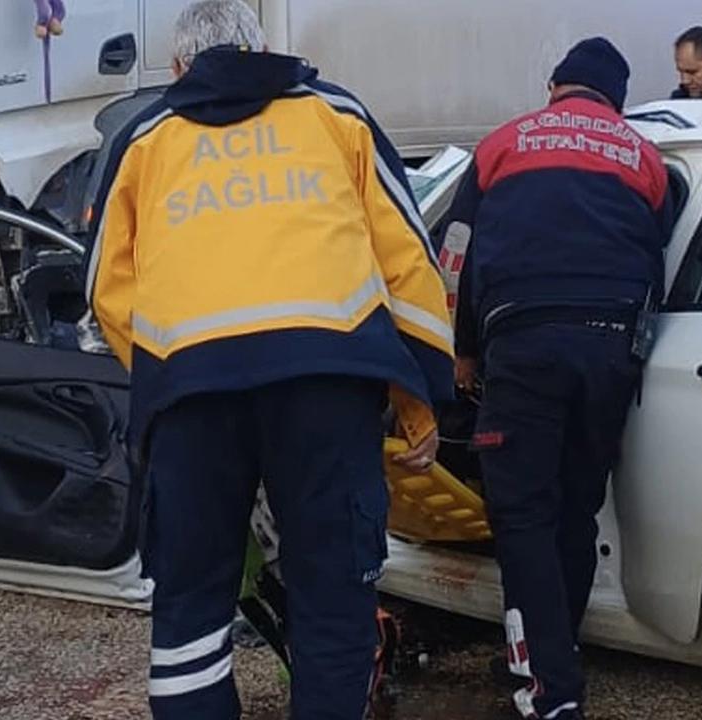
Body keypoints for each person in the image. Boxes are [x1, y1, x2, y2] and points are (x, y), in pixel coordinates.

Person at [85, 1, 454, 717]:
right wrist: (418, 399)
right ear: (261, 49)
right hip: (327, 382)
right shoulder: (337, 118)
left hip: (193, 391)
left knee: (191, 607)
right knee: (332, 594)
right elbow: (409, 265)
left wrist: (164, 371)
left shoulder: (145, 138)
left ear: (179, 69)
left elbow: (108, 288)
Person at [440, 38, 676, 719]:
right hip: (610, 351)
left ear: (554, 87)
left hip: (525, 346)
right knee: (575, 509)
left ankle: (551, 689)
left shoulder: (502, 144)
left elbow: (456, 254)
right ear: (617, 100)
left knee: (522, 515)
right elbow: (657, 247)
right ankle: (550, 650)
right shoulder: (643, 157)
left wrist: (461, 351)